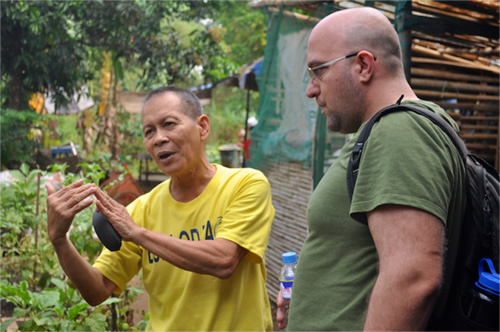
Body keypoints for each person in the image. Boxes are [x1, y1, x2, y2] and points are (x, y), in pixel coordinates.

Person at [276, 7, 466, 331]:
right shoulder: (382, 132)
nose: (310, 89)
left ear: (363, 65)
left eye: (317, 71)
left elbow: (413, 278)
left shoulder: (401, 131)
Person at [46, 86, 275, 331]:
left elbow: (224, 260)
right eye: (149, 131)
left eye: (169, 124)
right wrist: (60, 240)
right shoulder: (142, 210)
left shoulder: (244, 185)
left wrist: (138, 234)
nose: (159, 138)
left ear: (203, 127)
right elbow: (98, 290)